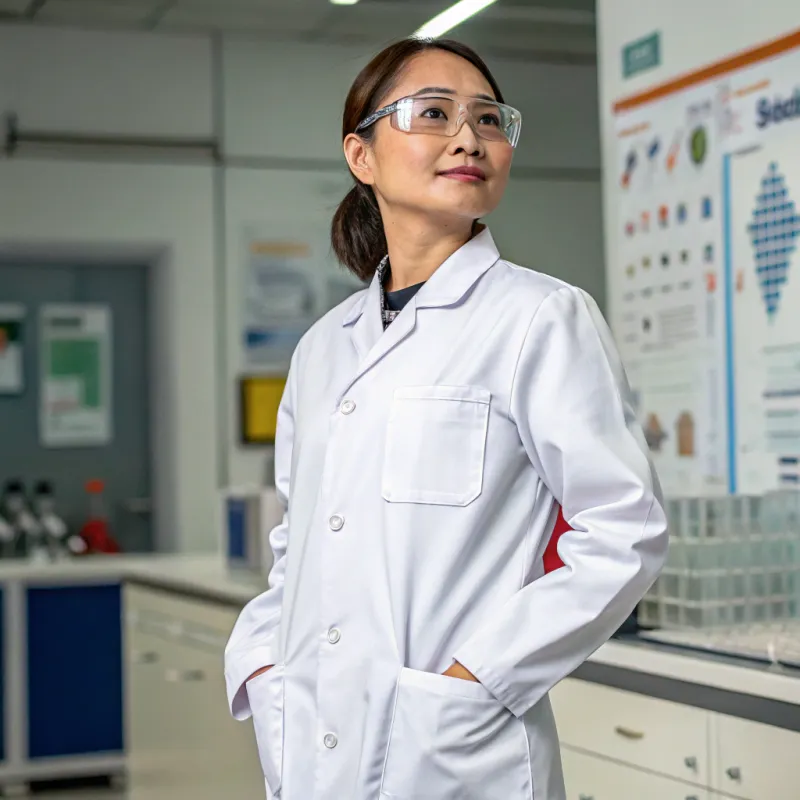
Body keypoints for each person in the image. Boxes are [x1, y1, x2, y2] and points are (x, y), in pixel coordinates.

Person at [225, 37, 668, 800]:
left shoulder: (540, 317)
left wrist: (479, 677)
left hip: (456, 749)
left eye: (489, 119)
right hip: (312, 738)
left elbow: (623, 530)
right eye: (433, 113)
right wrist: (264, 663)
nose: (469, 137)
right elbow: (299, 545)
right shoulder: (322, 349)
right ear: (360, 156)